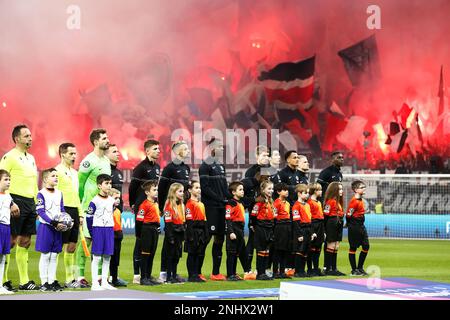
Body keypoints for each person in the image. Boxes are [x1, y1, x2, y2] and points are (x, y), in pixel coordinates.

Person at [0, 124, 38, 291]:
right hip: (15, 200)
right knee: (11, 241)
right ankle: (4, 280)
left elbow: (33, 182)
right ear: (17, 139)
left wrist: (36, 203)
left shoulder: (31, 158)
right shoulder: (9, 157)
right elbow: (1, 181)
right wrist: (10, 202)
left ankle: (24, 281)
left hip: (30, 202)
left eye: (30, 135)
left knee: (25, 241)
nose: (30, 138)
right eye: (26, 136)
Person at [76, 128, 111, 287]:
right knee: (87, 241)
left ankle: (98, 278)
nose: (107, 140)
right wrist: (82, 206)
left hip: (103, 209)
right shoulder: (88, 161)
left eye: (107, 137)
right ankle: (79, 276)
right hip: (89, 208)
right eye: (104, 138)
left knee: (100, 243)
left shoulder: (105, 160)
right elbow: (80, 186)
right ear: (96, 142)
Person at [128, 139, 161, 284]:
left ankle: (147, 275)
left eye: (158, 149)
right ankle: (137, 275)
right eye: (155, 149)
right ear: (147, 151)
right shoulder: (140, 167)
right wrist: (133, 203)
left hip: (151, 206)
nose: (158, 151)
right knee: (140, 241)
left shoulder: (158, 167)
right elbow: (132, 187)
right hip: (141, 207)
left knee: (150, 244)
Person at [158, 140, 190, 282]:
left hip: (181, 207)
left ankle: (173, 273)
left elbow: (186, 189)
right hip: (170, 206)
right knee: (168, 242)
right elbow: (161, 188)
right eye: (185, 148)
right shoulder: (169, 168)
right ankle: (164, 273)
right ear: (177, 152)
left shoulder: (186, 168)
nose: (188, 151)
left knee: (177, 243)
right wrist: (161, 207)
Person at [198, 138, 230, 281]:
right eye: (220, 147)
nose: (222, 149)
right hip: (210, 207)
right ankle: (197, 272)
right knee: (206, 239)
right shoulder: (205, 166)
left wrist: (230, 199)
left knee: (220, 239)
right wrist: (219, 199)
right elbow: (205, 188)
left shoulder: (221, 165)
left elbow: (224, 186)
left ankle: (215, 273)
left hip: (221, 207)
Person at [55, 143, 82, 289]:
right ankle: (51, 278)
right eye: (71, 154)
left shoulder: (75, 173)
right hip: (63, 211)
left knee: (72, 246)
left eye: (75, 153)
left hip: (74, 211)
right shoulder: (57, 171)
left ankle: (70, 279)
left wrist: (80, 213)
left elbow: (77, 195)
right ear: (63, 154)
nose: (74, 156)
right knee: (59, 246)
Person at [35, 168, 66, 292]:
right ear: (45, 179)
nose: (56, 178)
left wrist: (65, 220)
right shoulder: (41, 193)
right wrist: (53, 222)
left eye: (57, 176)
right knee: (46, 255)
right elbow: (40, 212)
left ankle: (52, 281)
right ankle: (44, 282)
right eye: (53, 176)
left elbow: (62, 209)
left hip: (57, 228)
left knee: (54, 256)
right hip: (46, 227)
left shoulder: (59, 193)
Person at [241, 145, 270, 279]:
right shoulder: (250, 172)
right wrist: (253, 201)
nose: (266, 157)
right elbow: (246, 190)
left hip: (267, 209)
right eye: (264, 155)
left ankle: (263, 269)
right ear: (257, 156)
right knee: (253, 241)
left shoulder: (270, 170)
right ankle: (248, 269)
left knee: (265, 241)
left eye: (267, 155)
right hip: (255, 209)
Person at [86, 174, 117, 291]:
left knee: (107, 256)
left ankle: (104, 282)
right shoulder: (94, 201)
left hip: (109, 229)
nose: (109, 186)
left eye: (110, 183)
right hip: (98, 229)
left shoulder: (111, 200)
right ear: (99, 186)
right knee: (97, 257)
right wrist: (92, 231)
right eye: (106, 183)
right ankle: (95, 283)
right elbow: (89, 217)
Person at [317, 151, 343, 271]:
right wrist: (323, 202)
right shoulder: (326, 172)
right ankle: (327, 266)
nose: (342, 159)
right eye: (339, 157)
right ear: (332, 159)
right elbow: (318, 187)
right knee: (329, 241)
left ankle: (333, 267)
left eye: (342, 157)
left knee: (335, 242)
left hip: (336, 210)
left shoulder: (339, 174)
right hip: (327, 208)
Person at [136, 180, 161, 286]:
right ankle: (143, 278)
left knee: (151, 254)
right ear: (147, 192)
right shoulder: (144, 205)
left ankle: (148, 276)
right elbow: (139, 220)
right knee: (145, 254)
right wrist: (139, 235)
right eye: (154, 190)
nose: (156, 192)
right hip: (147, 230)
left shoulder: (155, 203)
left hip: (154, 230)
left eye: (157, 189)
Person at [251, 180, 275, 281]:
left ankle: (264, 272)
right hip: (261, 227)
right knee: (261, 250)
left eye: (272, 188)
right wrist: (254, 226)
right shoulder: (259, 201)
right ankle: (259, 273)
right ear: (263, 189)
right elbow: (253, 215)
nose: (271, 190)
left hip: (269, 227)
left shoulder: (270, 200)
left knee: (266, 251)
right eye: (269, 188)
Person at [162, 183, 186, 284]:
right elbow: (168, 224)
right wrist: (170, 237)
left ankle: (174, 275)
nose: (182, 193)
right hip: (172, 233)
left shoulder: (181, 204)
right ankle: (168, 277)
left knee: (176, 256)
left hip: (179, 233)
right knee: (170, 256)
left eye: (182, 191)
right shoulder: (169, 206)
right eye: (180, 191)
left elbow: (182, 220)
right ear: (173, 192)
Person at [185, 181, 208, 282]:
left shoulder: (201, 204)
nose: (199, 190)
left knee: (198, 253)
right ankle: (191, 275)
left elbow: (204, 219)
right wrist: (190, 235)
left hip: (201, 231)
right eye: (196, 188)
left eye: (199, 187)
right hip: (193, 230)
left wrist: (206, 232)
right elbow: (189, 220)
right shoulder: (189, 204)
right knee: (192, 253)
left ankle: (196, 274)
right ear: (190, 190)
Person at [346, 180, 370, 276]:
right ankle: (354, 270)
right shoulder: (354, 202)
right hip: (355, 226)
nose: (364, 189)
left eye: (364, 187)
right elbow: (348, 215)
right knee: (353, 248)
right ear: (356, 190)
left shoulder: (360, 200)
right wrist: (350, 225)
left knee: (366, 246)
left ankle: (360, 268)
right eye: (362, 187)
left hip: (361, 226)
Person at [291, 184, 315, 277]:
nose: (308, 195)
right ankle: (297, 271)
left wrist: (312, 232)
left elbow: (310, 219)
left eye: (308, 193)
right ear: (299, 194)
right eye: (305, 193)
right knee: (300, 250)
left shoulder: (308, 205)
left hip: (308, 229)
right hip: (301, 229)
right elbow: (296, 222)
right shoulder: (296, 206)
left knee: (306, 251)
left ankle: (302, 271)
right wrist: (299, 234)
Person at [225, 181, 246, 281]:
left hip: (240, 229)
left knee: (237, 252)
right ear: (233, 192)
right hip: (233, 228)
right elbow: (228, 218)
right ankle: (229, 274)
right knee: (231, 252)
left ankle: (234, 273)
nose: (242, 191)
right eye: (240, 190)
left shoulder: (240, 202)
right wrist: (231, 232)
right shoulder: (231, 203)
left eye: (243, 190)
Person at [323, 182, 346, 276]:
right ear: (334, 190)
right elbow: (325, 216)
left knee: (336, 246)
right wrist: (324, 231)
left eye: (341, 189)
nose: (341, 191)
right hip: (331, 225)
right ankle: (328, 268)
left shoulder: (338, 202)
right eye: (339, 189)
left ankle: (334, 268)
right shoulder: (330, 201)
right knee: (331, 246)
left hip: (337, 225)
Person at [0, 170, 16, 295]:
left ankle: (0, 285)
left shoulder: (7, 196)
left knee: (2, 257)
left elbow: (11, 206)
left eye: (9, 179)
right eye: (5, 179)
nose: (8, 182)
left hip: (6, 227)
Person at [272, 183, 291, 279]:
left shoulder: (287, 203)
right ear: (278, 192)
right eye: (284, 190)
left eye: (287, 190)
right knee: (278, 250)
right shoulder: (276, 203)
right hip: (279, 226)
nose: (287, 191)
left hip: (287, 226)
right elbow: (274, 217)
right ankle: (275, 271)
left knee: (285, 250)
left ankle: (282, 272)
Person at [109, 188, 127, 287]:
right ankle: (109, 278)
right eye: (115, 198)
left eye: (119, 198)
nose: (118, 200)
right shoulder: (108, 211)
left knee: (116, 259)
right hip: (111, 236)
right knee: (109, 259)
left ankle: (115, 278)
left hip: (118, 236)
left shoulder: (118, 211)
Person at [307, 183, 325, 276]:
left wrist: (323, 231)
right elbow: (309, 217)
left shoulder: (319, 202)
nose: (321, 192)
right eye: (320, 190)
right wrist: (312, 231)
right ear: (314, 191)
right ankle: (310, 269)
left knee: (318, 248)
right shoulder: (309, 202)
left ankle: (316, 268)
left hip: (320, 225)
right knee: (311, 249)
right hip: (313, 224)